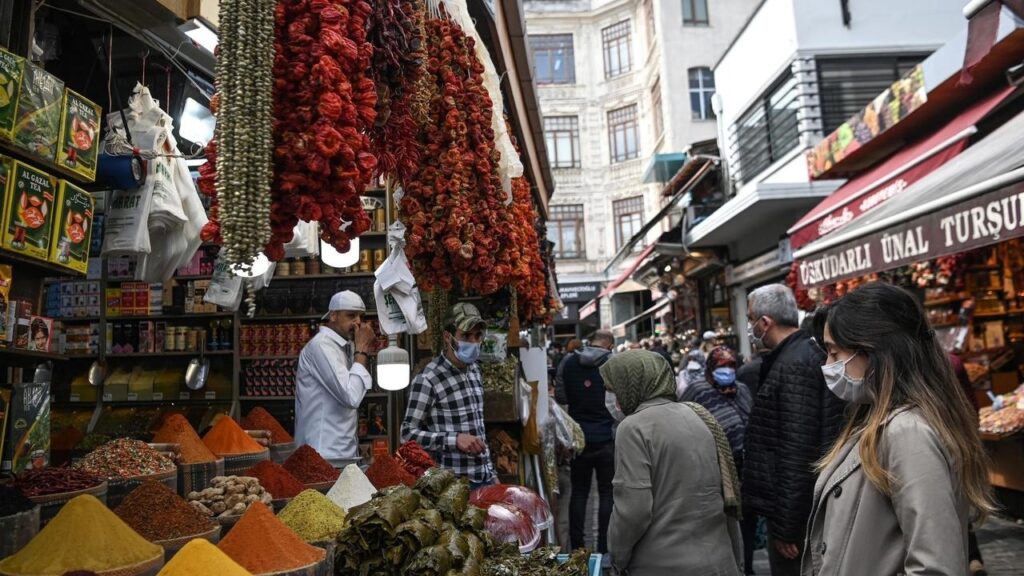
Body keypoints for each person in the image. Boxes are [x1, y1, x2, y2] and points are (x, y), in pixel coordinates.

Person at [802, 283, 994, 576]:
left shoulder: (907, 432)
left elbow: (935, 566)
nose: (828, 365)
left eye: (834, 353)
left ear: (873, 350)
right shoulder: (876, 418)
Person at [603, 350, 743, 576]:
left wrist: (617, 557)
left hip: (663, 564)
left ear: (631, 384)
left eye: (612, 389)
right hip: (718, 559)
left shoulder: (632, 428)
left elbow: (632, 511)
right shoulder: (697, 414)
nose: (610, 397)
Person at [743, 285, 845, 576]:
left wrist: (788, 525)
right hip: (800, 508)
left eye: (751, 319)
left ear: (765, 323)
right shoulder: (796, 354)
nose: (750, 327)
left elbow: (796, 449)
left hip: (796, 516)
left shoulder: (794, 364)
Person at [401, 303, 497, 489]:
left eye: (477, 336)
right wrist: (454, 439)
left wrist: (492, 474)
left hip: (484, 478)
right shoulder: (428, 379)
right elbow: (406, 434)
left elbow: (479, 428)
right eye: (466, 336)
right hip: (452, 486)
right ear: (448, 337)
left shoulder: (475, 371)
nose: (473, 342)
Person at [294, 290, 377, 466]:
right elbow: (351, 397)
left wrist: (357, 348)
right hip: (323, 455)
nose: (357, 322)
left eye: (360, 317)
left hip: (341, 455)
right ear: (333, 315)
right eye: (351, 315)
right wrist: (361, 349)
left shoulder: (343, 347)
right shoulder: (321, 346)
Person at [555, 329, 615, 555]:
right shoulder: (612, 363)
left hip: (578, 439)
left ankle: (578, 548)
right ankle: (604, 550)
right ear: (609, 345)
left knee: (579, 493)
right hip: (606, 438)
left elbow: (561, 397)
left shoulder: (568, 362)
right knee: (607, 493)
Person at [681, 346, 752, 472]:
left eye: (731, 365)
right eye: (722, 366)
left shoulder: (741, 389)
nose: (728, 370)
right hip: (717, 467)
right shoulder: (698, 391)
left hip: (749, 463)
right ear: (711, 367)